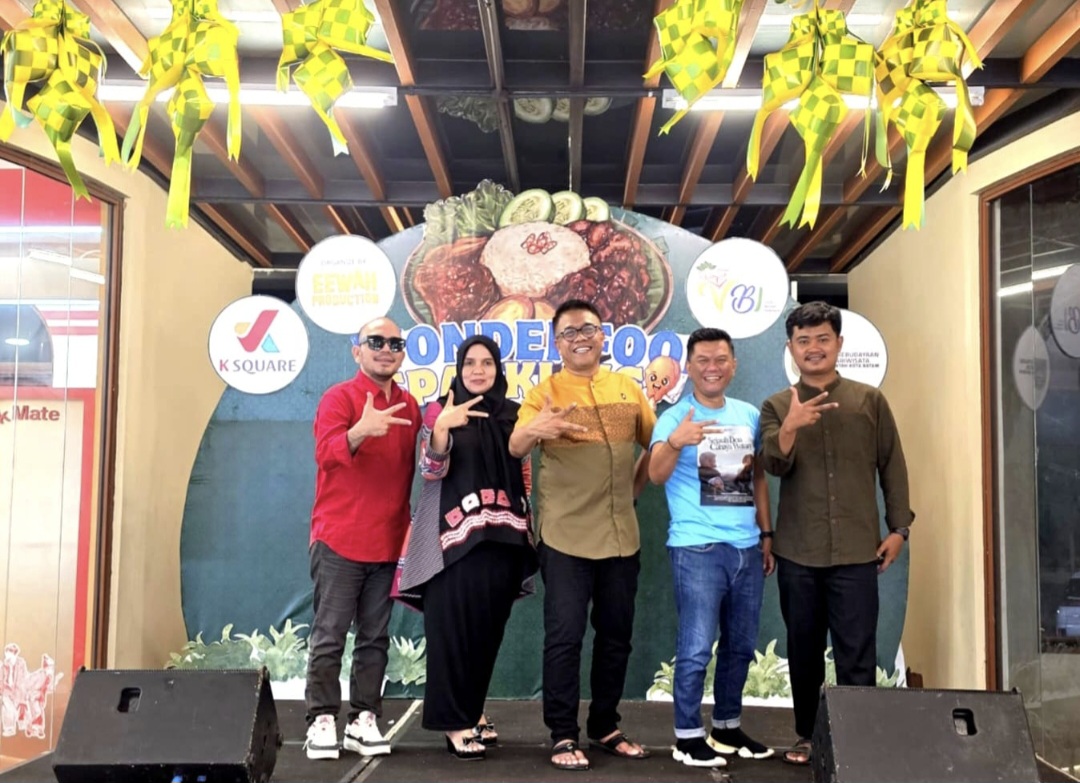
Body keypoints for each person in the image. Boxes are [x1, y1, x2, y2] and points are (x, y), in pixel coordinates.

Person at [759, 302, 914, 766]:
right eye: (803, 340)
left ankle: (857, 740)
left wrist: (899, 528)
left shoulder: (869, 401)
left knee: (857, 652)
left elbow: (892, 465)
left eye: (823, 338)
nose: (814, 348)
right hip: (798, 553)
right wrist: (789, 427)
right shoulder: (777, 406)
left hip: (857, 552)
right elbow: (773, 464)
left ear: (839, 344)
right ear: (791, 348)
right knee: (803, 651)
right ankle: (808, 736)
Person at [509, 299, 656, 772]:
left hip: (622, 537)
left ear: (602, 336)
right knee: (565, 637)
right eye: (569, 332)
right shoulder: (544, 393)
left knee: (616, 637)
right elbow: (515, 445)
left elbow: (657, 446)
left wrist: (633, 489)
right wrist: (538, 428)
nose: (580, 338)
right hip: (565, 538)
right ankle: (562, 734)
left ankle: (605, 727)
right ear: (557, 343)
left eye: (588, 329)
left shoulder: (627, 390)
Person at [396, 335, 538, 761]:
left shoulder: (514, 414)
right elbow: (430, 469)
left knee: (486, 635)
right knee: (452, 634)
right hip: (452, 543)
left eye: (487, 362)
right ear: (458, 369)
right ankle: (454, 722)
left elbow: (525, 477)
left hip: (504, 540)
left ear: (498, 369)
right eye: (470, 363)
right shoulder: (441, 410)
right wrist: (442, 428)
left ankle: (472, 710)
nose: (479, 370)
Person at [648, 327, 776, 768]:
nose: (712, 367)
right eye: (702, 360)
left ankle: (726, 727)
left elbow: (758, 478)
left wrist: (766, 535)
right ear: (689, 366)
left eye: (721, 359)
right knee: (697, 647)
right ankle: (687, 736)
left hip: (747, 548)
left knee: (740, 646)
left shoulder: (748, 414)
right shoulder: (674, 417)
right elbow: (656, 475)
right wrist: (676, 441)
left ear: (734, 365)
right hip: (696, 547)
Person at [304, 317, 422, 761]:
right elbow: (324, 453)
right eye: (376, 341)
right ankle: (320, 719)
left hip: (389, 541)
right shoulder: (339, 398)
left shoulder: (410, 406)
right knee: (330, 635)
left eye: (395, 343)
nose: (386, 349)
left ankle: (363, 718)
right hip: (338, 539)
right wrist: (359, 431)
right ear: (357, 351)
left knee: (375, 638)